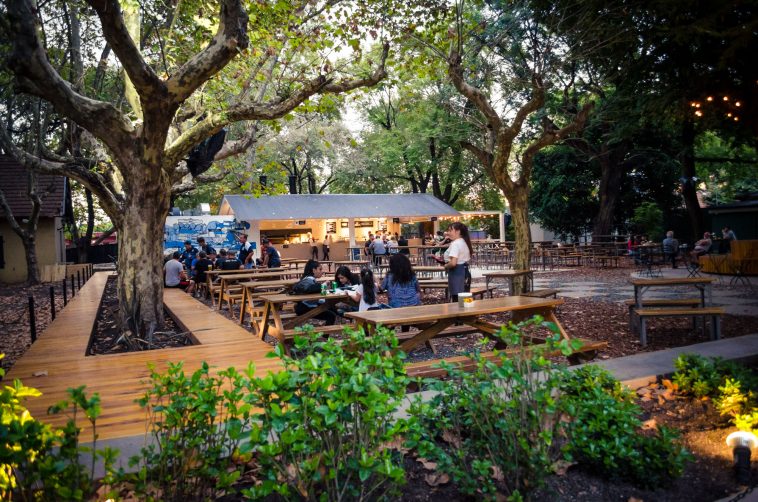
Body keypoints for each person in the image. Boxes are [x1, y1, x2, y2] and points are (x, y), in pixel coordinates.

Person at [294, 260, 337, 325]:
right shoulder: (309, 280)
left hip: (302, 306)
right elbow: (312, 289)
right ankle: (324, 335)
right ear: (313, 270)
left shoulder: (306, 279)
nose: (322, 271)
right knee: (331, 316)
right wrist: (324, 285)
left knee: (331, 308)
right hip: (305, 308)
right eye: (320, 269)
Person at [443, 222, 473, 303]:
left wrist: (446, 266)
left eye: (450, 230)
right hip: (465, 272)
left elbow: (453, 263)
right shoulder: (464, 242)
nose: (448, 233)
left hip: (457, 274)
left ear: (458, 231)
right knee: (466, 300)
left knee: (457, 301)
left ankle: (459, 315)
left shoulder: (456, 244)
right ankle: (467, 315)